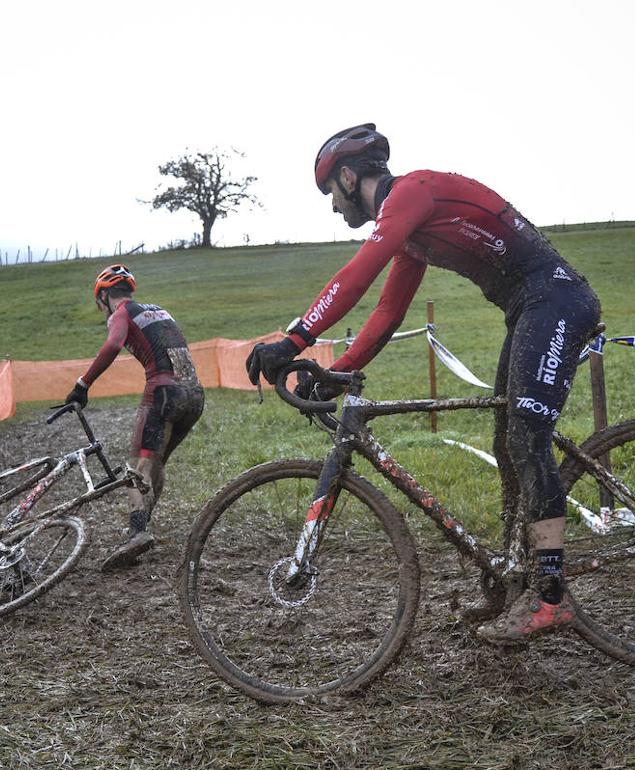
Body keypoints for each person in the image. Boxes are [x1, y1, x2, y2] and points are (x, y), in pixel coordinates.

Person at [245, 123, 601, 643]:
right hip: (531, 306)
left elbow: (359, 273)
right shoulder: (410, 233)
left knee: (527, 441)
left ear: (348, 177)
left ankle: (552, 596)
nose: (332, 206)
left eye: (329, 193)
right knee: (508, 446)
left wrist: (294, 340)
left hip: (556, 300)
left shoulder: (412, 194)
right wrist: (338, 374)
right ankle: (512, 575)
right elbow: (388, 311)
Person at [64, 264, 204, 570]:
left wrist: (82, 385)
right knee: (156, 463)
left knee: (136, 467)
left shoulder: (122, 312)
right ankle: (140, 524)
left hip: (163, 390)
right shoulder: (159, 310)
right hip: (194, 393)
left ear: (103, 296)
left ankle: (138, 533)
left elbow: (113, 344)